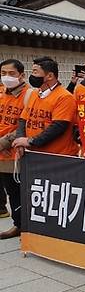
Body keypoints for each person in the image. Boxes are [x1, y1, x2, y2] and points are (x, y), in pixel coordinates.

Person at [9, 57, 78, 238]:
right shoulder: (35, 94)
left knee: (56, 198)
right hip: (35, 157)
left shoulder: (64, 97)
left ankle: (58, 234)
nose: (32, 76)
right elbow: (23, 119)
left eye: (35, 72)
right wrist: (21, 140)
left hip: (57, 157)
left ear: (49, 76)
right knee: (37, 196)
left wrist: (31, 142)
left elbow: (58, 127)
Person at [0, 59, 33, 236]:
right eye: (3, 73)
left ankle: (28, 226)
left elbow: (24, 125)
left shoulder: (29, 95)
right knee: (12, 191)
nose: (7, 77)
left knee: (22, 191)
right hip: (2, 154)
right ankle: (18, 225)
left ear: (22, 75)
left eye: (11, 74)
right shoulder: (2, 94)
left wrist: (3, 142)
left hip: (18, 152)